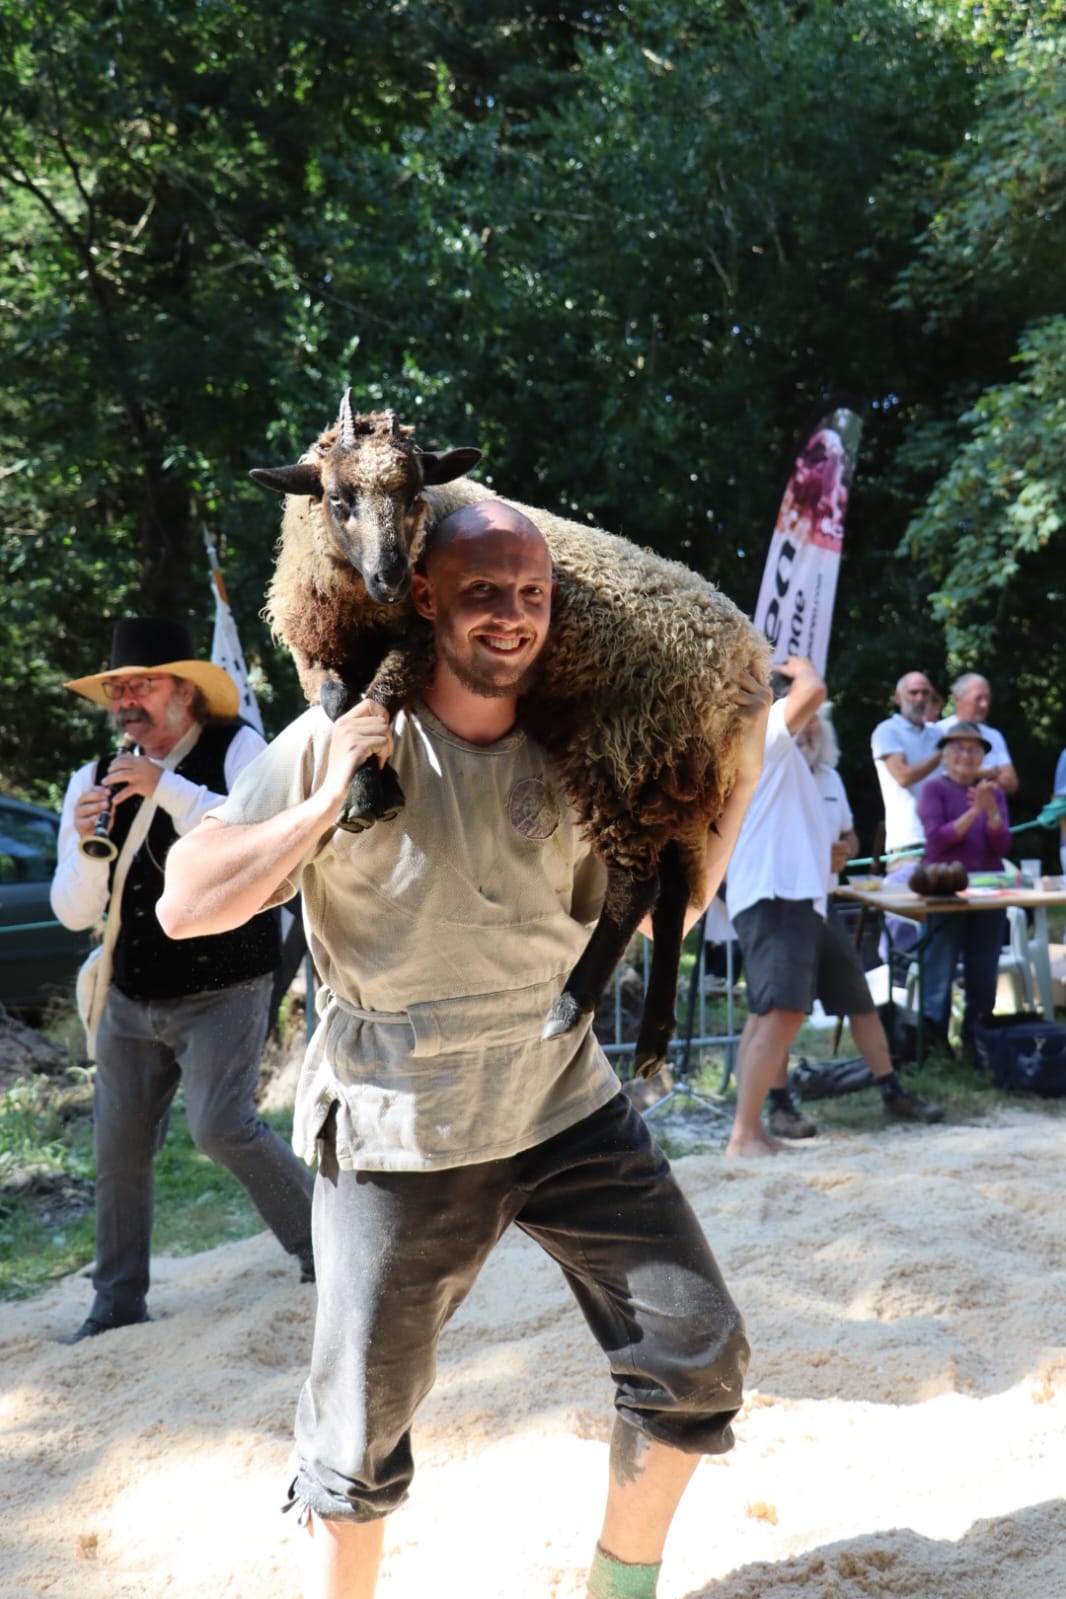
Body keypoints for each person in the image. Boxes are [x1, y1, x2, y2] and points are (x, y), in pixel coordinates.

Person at [157, 502, 768, 1599]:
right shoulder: (336, 736)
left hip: (562, 1103)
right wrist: (332, 796)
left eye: (531, 594)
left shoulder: (581, 749)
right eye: (484, 591)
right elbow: (187, 906)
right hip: (402, 1126)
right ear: (425, 599)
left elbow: (673, 911)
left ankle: (615, 1591)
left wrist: (748, 742)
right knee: (355, 1450)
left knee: (697, 1351)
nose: (512, 617)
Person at [51, 617, 315, 1343]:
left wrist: (164, 788)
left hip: (226, 983)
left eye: (141, 684)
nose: (125, 701)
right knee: (117, 1150)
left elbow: (262, 838)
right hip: (133, 997)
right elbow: (73, 910)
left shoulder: (240, 749)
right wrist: (86, 843)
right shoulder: (90, 779)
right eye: (117, 689)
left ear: (186, 691)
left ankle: (323, 1246)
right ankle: (115, 1304)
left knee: (220, 1124)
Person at [724, 657, 943, 1157]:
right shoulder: (763, 733)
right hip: (779, 895)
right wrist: (800, 666)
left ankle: (750, 1131)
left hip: (786, 895)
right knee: (780, 1012)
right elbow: (814, 690)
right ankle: (745, 1135)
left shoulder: (776, 753)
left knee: (768, 1014)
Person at [917, 721, 1012, 1061]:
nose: (966, 755)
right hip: (944, 891)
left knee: (984, 972)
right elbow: (939, 840)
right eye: (958, 747)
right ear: (944, 754)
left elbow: (1001, 846)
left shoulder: (993, 793)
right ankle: (934, 1047)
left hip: (988, 893)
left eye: (974, 749)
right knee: (938, 972)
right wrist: (977, 810)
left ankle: (977, 1044)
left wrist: (992, 812)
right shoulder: (933, 790)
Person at [870, 671, 943, 859]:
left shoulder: (939, 734)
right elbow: (903, 777)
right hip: (908, 841)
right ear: (897, 698)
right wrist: (942, 754)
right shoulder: (887, 731)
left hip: (945, 837)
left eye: (925, 693)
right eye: (913, 692)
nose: (920, 698)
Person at [938, 673, 1018, 795]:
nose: (984, 705)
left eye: (987, 698)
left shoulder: (994, 736)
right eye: (978, 698)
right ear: (957, 699)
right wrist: (992, 773)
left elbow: (1011, 783)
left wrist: (963, 771)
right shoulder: (938, 731)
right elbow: (935, 776)